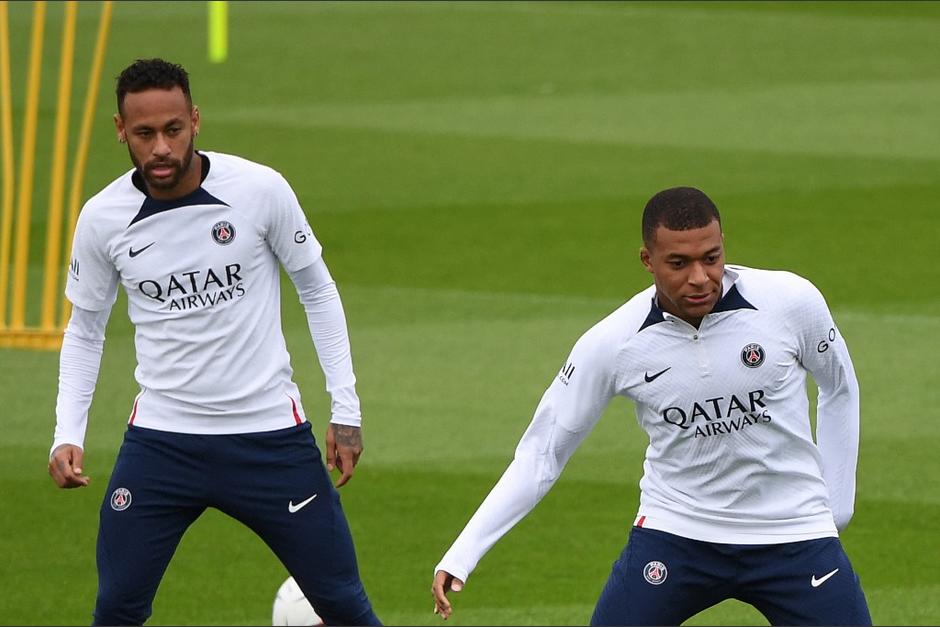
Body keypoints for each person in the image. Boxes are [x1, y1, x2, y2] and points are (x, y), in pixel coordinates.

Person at [431, 186, 871, 626]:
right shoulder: (612, 343)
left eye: (711, 258)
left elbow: (839, 387)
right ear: (648, 260)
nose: (700, 277)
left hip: (793, 530)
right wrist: (464, 551)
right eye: (679, 263)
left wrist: (835, 507)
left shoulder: (791, 301)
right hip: (678, 531)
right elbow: (543, 453)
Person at [47, 58, 380, 626]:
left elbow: (318, 291)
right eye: (144, 133)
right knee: (116, 609)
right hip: (161, 445)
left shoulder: (259, 190)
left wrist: (345, 409)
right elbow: (85, 329)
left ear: (195, 121)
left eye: (173, 130)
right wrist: (66, 433)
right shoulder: (102, 218)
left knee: (345, 606)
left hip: (270, 439)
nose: (160, 149)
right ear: (120, 130)